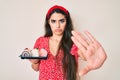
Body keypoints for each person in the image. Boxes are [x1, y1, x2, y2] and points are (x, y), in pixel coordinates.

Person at [29, 5, 107, 80]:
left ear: (67, 22)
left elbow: (85, 55)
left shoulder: (74, 42)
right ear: (48, 22)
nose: (58, 25)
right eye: (53, 21)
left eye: (62, 21)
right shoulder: (40, 41)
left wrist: (93, 56)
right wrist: (35, 62)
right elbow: (36, 68)